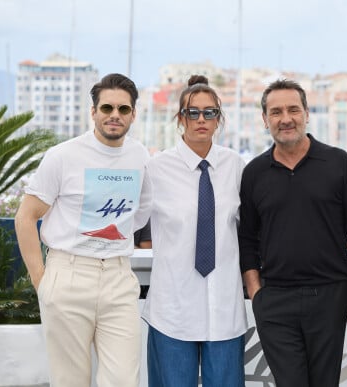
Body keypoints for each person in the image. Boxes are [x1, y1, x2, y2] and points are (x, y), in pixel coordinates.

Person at [14, 73, 152, 387]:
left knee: (123, 380)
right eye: (107, 108)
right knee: (70, 381)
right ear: (93, 112)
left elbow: (141, 213)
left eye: (123, 109)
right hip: (68, 277)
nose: (115, 115)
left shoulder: (140, 156)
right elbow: (26, 217)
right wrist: (42, 280)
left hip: (118, 279)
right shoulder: (63, 156)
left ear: (132, 114)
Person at [239, 79, 347, 387]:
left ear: (307, 113)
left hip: (330, 295)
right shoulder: (254, 173)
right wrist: (257, 293)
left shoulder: (338, 162)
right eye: (276, 112)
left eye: (292, 110)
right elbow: (247, 239)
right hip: (274, 300)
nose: (285, 118)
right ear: (264, 119)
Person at [142, 75, 247, 387]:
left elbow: (250, 229)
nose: (201, 119)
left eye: (209, 112)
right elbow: (129, 223)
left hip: (224, 309)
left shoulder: (236, 166)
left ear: (219, 119)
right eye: (193, 112)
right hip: (172, 310)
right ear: (180, 118)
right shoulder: (155, 169)